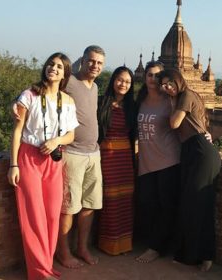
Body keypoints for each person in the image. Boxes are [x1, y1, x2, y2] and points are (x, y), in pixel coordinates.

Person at [7, 52, 79, 280]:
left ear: (65, 73)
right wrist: (13, 164)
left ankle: (46, 265)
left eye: (59, 66)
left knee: (50, 215)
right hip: (29, 157)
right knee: (33, 215)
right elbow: (18, 131)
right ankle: (39, 272)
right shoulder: (29, 95)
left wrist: (56, 140)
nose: (53, 68)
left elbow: (70, 135)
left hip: (54, 160)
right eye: (51, 64)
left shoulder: (67, 101)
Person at [157, 69, 221, 272]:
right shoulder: (180, 98)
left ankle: (206, 255)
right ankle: (191, 254)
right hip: (191, 150)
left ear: (178, 81)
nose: (167, 87)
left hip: (201, 151)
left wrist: (167, 103)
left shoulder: (186, 95)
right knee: (189, 203)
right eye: (164, 85)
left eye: (170, 83)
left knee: (199, 204)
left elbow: (174, 123)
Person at [56, 45, 105, 268]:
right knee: (68, 207)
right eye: (91, 61)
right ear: (82, 61)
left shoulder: (94, 87)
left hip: (93, 153)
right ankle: (63, 252)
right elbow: (43, 89)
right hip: (72, 153)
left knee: (89, 205)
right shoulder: (70, 82)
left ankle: (82, 247)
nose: (95, 66)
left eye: (99, 63)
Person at [135, 61, 181, 263]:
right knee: (147, 203)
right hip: (146, 161)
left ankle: (156, 247)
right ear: (145, 78)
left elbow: (188, 118)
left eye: (157, 76)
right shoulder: (139, 101)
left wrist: (204, 133)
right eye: (149, 75)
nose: (153, 79)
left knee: (165, 205)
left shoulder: (170, 100)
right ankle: (153, 241)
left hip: (168, 160)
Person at [97, 66, 136, 255]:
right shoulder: (101, 103)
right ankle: (109, 244)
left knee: (125, 200)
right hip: (107, 156)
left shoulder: (132, 107)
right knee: (110, 200)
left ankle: (124, 244)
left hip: (125, 158)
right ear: (113, 81)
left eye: (127, 82)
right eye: (120, 80)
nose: (123, 84)